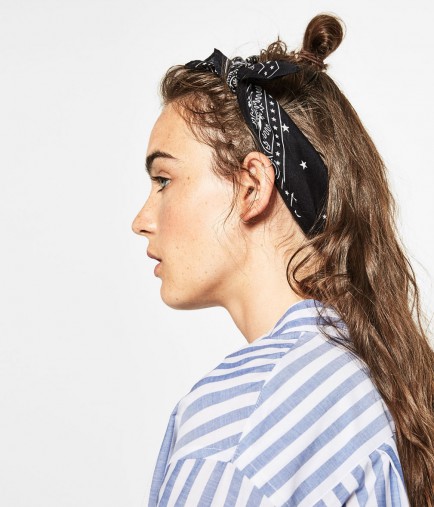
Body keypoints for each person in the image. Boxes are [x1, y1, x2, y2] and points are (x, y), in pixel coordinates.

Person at [132, 14, 434, 507]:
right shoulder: (380, 388)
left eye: (164, 180)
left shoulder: (238, 429)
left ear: (252, 187)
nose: (142, 219)